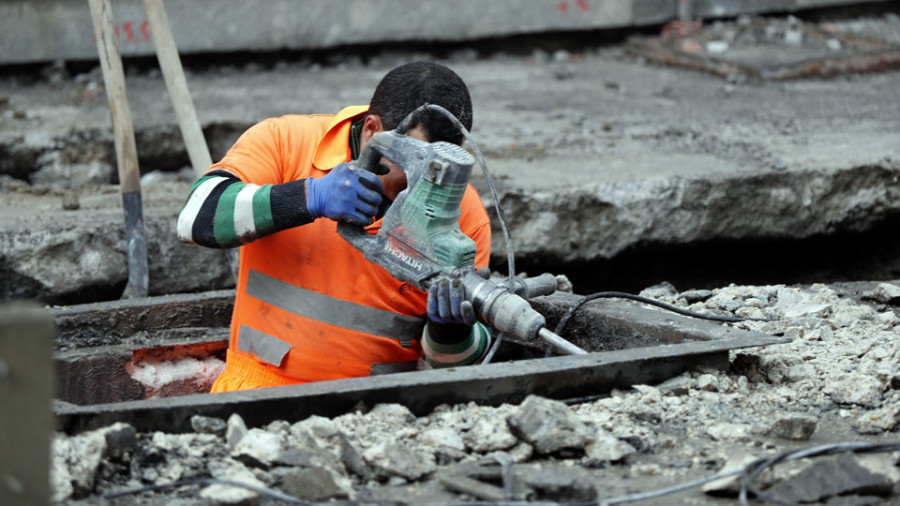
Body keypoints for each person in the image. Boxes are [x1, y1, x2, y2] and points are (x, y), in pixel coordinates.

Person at [176, 61, 492, 392]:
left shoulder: (463, 213)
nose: (424, 189)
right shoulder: (287, 143)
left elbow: (452, 374)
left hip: (382, 413)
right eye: (414, 168)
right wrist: (307, 197)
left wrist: (450, 334)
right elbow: (194, 218)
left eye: (439, 173)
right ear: (373, 132)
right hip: (258, 391)